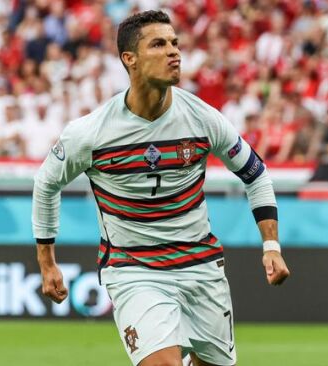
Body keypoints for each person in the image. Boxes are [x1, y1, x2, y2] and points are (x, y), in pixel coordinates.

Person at [32, 10, 290, 366]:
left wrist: (271, 245)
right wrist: (47, 264)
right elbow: (46, 184)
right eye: (159, 44)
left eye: (175, 43)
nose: (174, 52)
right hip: (134, 268)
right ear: (130, 59)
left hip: (201, 267)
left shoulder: (203, 118)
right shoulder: (91, 133)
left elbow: (256, 174)